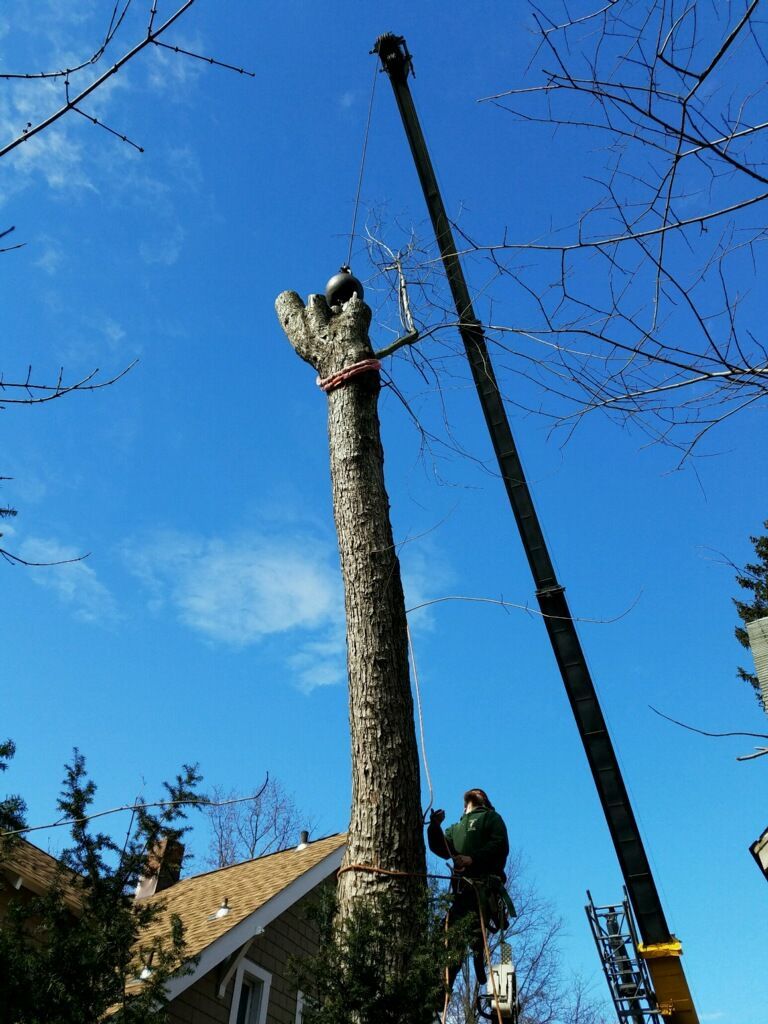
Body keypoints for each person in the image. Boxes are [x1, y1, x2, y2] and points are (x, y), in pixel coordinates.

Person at [427, 788, 510, 996]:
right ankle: (440, 988)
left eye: (478, 793)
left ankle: (476, 955)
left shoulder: (491, 818)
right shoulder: (456, 828)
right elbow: (440, 848)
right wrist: (434, 827)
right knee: (449, 935)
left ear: (485, 802)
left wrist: (473, 859)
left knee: (461, 931)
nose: (473, 794)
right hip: (463, 891)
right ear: (464, 807)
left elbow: (499, 845)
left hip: (483, 888)